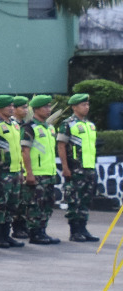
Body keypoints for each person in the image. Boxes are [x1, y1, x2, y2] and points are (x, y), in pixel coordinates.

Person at [0, 96, 26, 249]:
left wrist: (21, 169)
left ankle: (7, 235)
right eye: (8, 106)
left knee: (12, 204)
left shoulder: (15, 125)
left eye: (12, 106)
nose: (11, 108)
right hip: (2, 171)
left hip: (15, 170)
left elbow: (18, 149)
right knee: (0, 205)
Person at [58, 93, 98, 242]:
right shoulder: (68, 124)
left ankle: (83, 228)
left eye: (87, 104)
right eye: (83, 105)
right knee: (74, 199)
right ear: (74, 107)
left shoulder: (90, 125)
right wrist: (65, 167)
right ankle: (75, 230)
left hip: (89, 167)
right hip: (75, 168)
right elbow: (61, 146)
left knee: (86, 199)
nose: (86, 107)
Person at [23, 95, 61, 244]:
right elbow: (25, 151)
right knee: (35, 204)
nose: (48, 110)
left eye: (49, 106)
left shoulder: (49, 127)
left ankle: (42, 231)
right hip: (37, 173)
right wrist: (29, 173)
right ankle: (34, 233)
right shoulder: (29, 128)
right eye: (45, 107)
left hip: (49, 172)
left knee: (47, 204)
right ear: (36, 110)